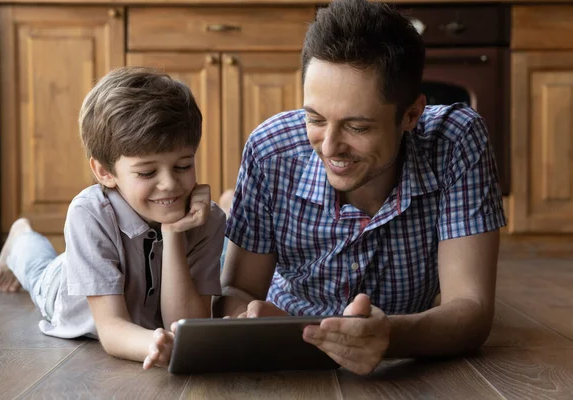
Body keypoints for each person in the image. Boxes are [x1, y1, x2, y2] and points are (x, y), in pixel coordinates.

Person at [214, 0, 506, 376]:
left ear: (411, 115)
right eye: (316, 118)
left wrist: (391, 337)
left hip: (401, 325)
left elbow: (471, 307)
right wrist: (253, 319)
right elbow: (239, 292)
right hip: (288, 319)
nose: (330, 147)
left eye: (358, 127)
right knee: (224, 232)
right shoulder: (270, 150)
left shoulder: (456, 140)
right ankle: (229, 202)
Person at [0, 67, 226, 370]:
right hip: (67, 292)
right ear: (105, 172)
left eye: (183, 165)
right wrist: (151, 344)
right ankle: (20, 236)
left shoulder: (207, 219)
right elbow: (112, 328)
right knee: (38, 271)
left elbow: (186, 326)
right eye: (147, 172)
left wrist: (172, 232)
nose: (169, 184)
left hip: (140, 306)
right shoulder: (88, 213)